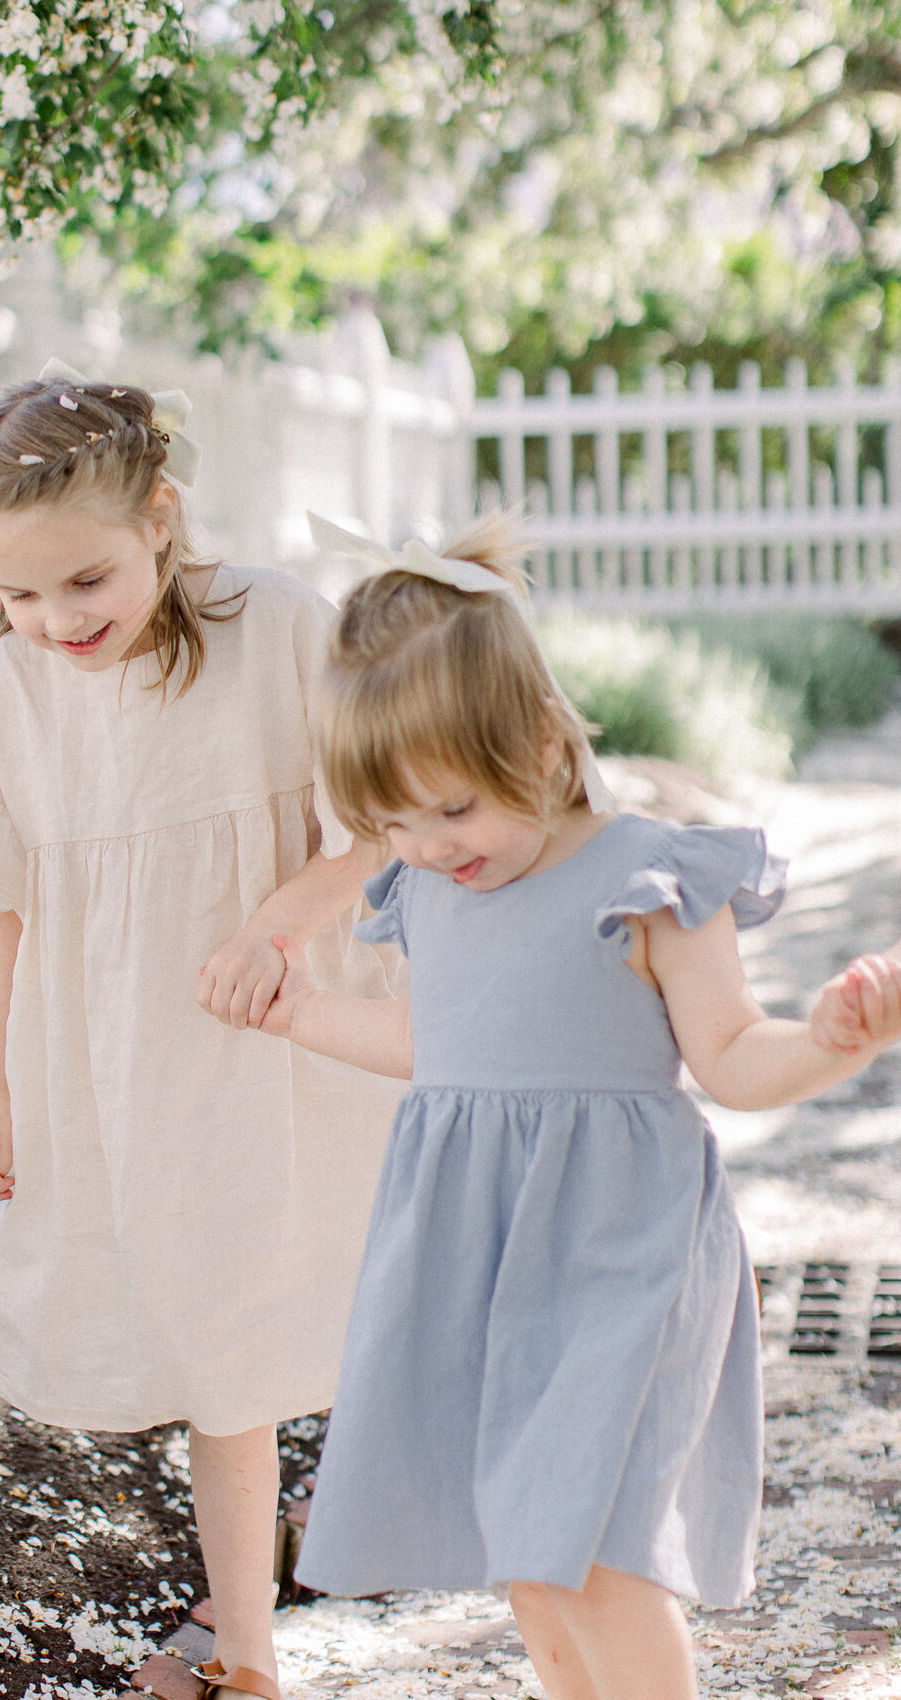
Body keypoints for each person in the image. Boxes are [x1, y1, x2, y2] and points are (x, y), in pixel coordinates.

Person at [198, 515, 901, 1700]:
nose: (428, 844)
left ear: (537, 738)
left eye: (454, 809)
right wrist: (298, 1014)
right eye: (400, 822)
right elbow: (445, 1047)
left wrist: (832, 1043)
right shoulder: (427, 885)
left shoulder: (653, 879)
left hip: (617, 1255)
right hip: (479, 1256)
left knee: (594, 1557)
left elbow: (729, 1057)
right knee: (527, 1557)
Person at [0, 366, 404, 1700]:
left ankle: (356, 1520)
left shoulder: (274, 626)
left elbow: (381, 823)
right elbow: (3, 902)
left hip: (286, 1047)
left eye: (85, 582)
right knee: (216, 1353)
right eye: (18, 593)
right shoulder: (12, 691)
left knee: (335, 1309)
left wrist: (274, 927)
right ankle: (249, 1648)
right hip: (130, 1070)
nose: (55, 619)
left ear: (160, 519)